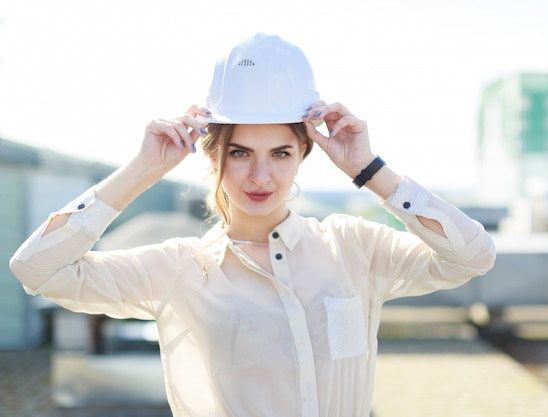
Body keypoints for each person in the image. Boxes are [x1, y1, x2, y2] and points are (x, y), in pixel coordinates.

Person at [10, 33, 496, 417]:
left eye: (280, 153)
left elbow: (472, 255)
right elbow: (37, 270)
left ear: (304, 154)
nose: (261, 176)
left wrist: (370, 170)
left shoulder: (354, 247)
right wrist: (142, 169)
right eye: (240, 153)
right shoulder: (181, 269)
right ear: (214, 157)